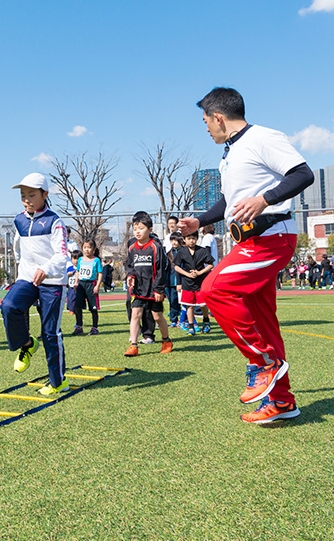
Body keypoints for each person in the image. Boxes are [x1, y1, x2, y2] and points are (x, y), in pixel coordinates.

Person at [178, 87, 314, 424]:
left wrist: (264, 200)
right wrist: (200, 220)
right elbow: (230, 201)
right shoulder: (230, 153)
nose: (206, 127)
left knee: (213, 290)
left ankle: (264, 362)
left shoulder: (263, 138)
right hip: (249, 242)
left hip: (272, 237)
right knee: (265, 322)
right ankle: (282, 402)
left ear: (219, 118)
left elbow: (302, 174)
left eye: (205, 120)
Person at [0, 173, 70, 396]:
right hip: (27, 278)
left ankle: (58, 381)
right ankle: (27, 345)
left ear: (45, 194)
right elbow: (18, 250)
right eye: (23, 196)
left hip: (53, 282)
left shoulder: (55, 222)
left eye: (31, 195)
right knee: (9, 306)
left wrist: (45, 269)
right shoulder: (19, 221)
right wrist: (23, 272)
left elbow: (61, 255)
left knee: (50, 333)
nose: (26, 199)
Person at [124, 212, 172, 356]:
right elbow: (130, 265)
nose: (137, 231)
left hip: (153, 289)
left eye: (141, 228)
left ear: (150, 230)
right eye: (135, 228)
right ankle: (133, 345)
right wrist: (130, 275)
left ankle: (166, 340)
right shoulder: (132, 248)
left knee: (157, 316)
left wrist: (159, 289)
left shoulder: (156, 247)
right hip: (138, 289)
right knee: (135, 314)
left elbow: (161, 269)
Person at [172, 230, 215, 335]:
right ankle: (191, 327)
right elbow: (176, 267)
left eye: (193, 238)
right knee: (189, 305)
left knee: (202, 304)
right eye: (189, 239)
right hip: (187, 282)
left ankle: (206, 321)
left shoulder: (203, 250)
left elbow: (210, 265)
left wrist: (199, 272)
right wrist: (187, 274)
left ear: (197, 239)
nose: (191, 241)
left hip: (201, 282)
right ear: (184, 240)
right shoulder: (182, 252)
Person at [72, 240, 103, 336]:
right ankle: (79, 327)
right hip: (81, 285)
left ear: (93, 249)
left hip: (91, 285)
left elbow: (100, 273)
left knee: (93, 308)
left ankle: (94, 328)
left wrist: (97, 286)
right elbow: (78, 271)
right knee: (77, 306)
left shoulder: (96, 260)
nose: (87, 250)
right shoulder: (80, 259)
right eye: (85, 247)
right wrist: (76, 282)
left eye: (89, 247)